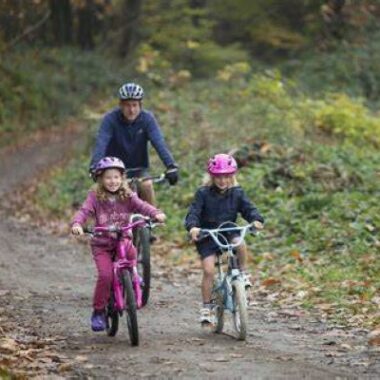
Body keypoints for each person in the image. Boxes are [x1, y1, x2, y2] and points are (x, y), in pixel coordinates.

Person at [71, 156, 166, 331]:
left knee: (131, 254)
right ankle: (99, 311)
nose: (113, 181)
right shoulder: (94, 197)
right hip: (102, 244)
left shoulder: (128, 195)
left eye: (116, 177)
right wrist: (77, 224)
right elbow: (84, 212)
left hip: (123, 239)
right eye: (108, 177)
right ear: (100, 179)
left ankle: (132, 276)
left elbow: (142, 205)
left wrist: (155, 213)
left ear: (122, 178)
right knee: (106, 276)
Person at [184, 153, 264, 325]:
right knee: (209, 270)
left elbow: (248, 209)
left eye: (227, 176)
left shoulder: (237, 193)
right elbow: (194, 212)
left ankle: (242, 273)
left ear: (232, 176)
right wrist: (193, 227)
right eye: (218, 177)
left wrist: (256, 220)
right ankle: (207, 307)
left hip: (228, 230)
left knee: (240, 244)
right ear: (212, 177)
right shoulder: (203, 193)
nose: (222, 180)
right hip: (207, 234)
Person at [89, 82, 178, 206]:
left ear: (140, 105)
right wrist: (94, 167)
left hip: (139, 169)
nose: (131, 110)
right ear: (120, 105)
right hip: (114, 168)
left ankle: (151, 220)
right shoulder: (110, 120)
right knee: (108, 197)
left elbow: (159, 143)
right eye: (127, 105)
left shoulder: (147, 119)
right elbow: (101, 143)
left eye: (135, 105)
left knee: (146, 185)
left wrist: (171, 166)